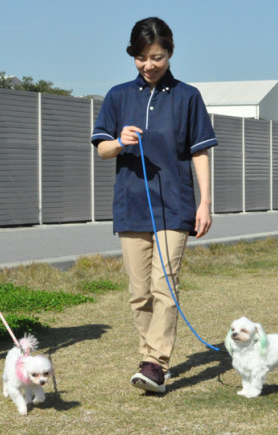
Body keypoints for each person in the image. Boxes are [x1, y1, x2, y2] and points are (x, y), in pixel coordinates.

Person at [91, 17, 217, 393]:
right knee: (139, 292)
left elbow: (199, 153)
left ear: (170, 54)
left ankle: (155, 363)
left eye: (157, 57)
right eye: (142, 58)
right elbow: (102, 150)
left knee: (165, 286)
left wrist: (205, 203)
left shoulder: (188, 96)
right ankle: (149, 356)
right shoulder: (117, 96)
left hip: (175, 205)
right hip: (130, 204)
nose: (149, 65)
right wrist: (119, 141)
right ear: (133, 56)